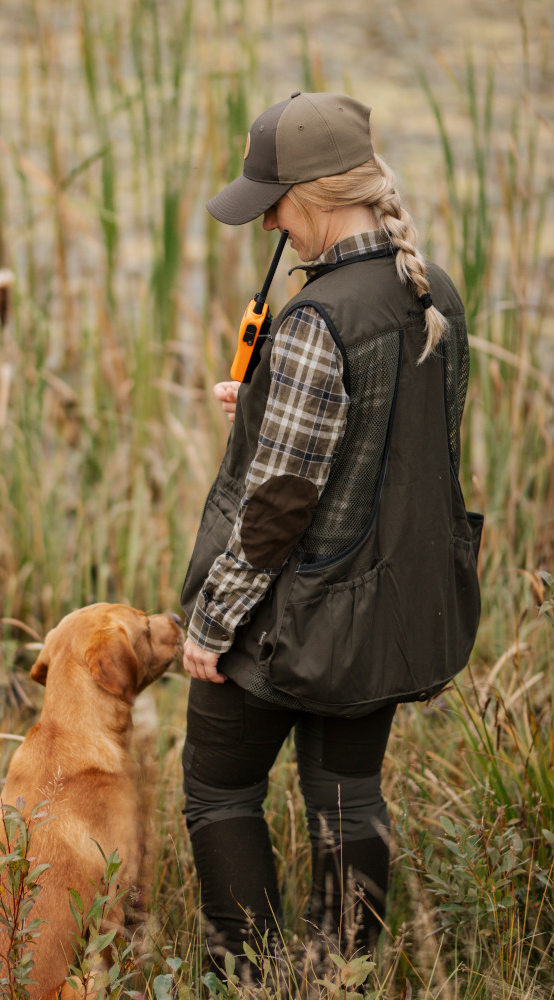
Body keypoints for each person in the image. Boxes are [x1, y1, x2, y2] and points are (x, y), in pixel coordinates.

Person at [179, 92, 482, 973]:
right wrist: (270, 398)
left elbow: (278, 506)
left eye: (271, 201)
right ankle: (340, 976)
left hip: (292, 616)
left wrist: (211, 623)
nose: (266, 219)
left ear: (311, 196)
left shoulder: (315, 318)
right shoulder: (434, 293)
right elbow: (398, 445)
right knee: (347, 797)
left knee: (217, 787)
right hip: (389, 612)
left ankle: (249, 977)